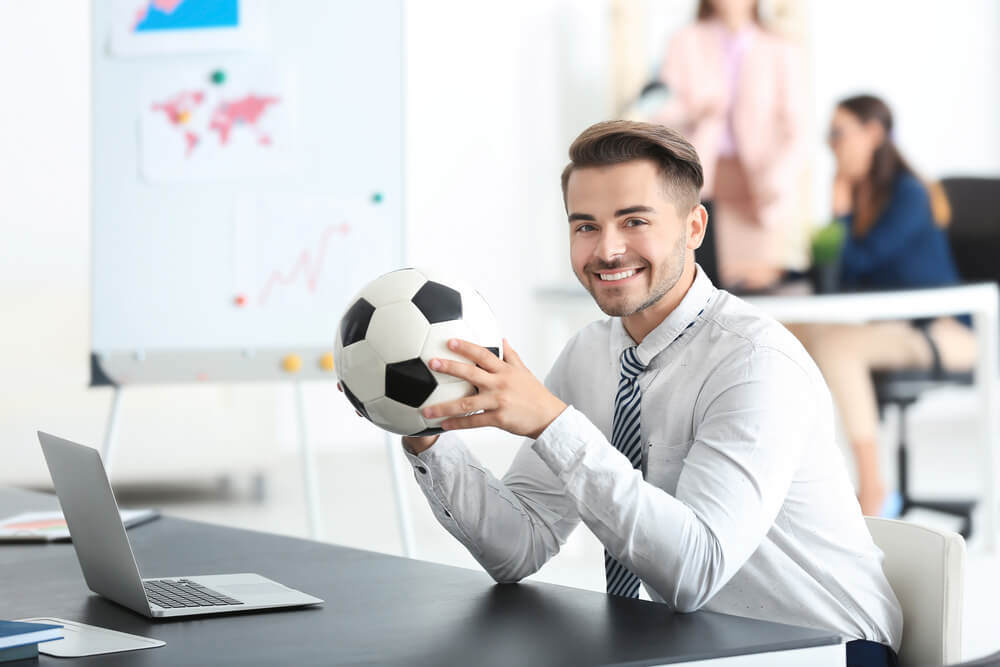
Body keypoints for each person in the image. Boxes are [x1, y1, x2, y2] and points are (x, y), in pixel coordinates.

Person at [393, 121, 902, 665]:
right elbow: (519, 547)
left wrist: (552, 425)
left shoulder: (755, 362)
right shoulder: (590, 353)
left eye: (634, 221)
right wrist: (428, 435)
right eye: (585, 226)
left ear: (694, 227)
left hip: (828, 649)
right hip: (698, 647)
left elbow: (695, 571)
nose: (608, 250)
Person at [788, 95, 977, 517]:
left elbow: (860, 260)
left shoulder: (908, 195)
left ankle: (873, 487)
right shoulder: (864, 199)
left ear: (874, 134)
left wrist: (838, 210)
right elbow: (841, 278)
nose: (832, 145)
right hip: (900, 329)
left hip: (948, 332)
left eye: (839, 133)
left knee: (836, 344)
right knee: (784, 331)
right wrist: (782, 275)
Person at [656, 0, 806, 290]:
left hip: (758, 189)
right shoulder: (686, 41)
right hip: (704, 178)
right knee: (699, 286)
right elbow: (662, 108)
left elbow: (797, 131)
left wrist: (778, 176)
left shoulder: (779, 48)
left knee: (756, 289)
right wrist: (696, 109)